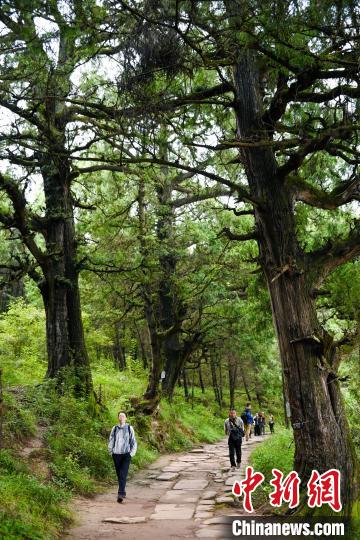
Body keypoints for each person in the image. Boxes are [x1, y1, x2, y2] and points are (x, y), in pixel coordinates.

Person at [108, 411, 137, 503]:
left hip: (126, 454)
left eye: (123, 416)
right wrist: (111, 451)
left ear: (126, 418)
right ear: (118, 418)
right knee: (119, 474)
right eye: (120, 416)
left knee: (123, 474)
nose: (121, 418)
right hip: (116, 454)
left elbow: (133, 441)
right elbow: (111, 440)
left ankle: (120, 494)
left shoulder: (129, 428)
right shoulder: (115, 428)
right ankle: (123, 492)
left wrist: (131, 453)